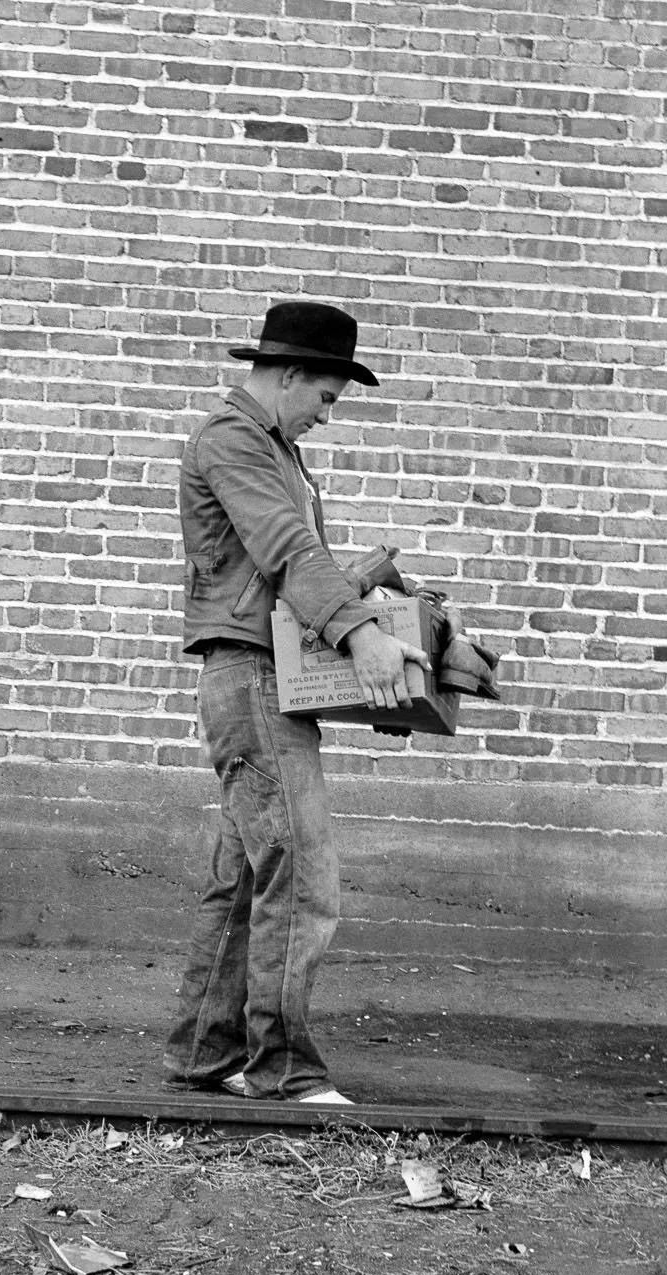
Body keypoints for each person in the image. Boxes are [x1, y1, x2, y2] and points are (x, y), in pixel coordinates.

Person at [162, 301, 431, 1105]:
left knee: (246, 875)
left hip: (259, 677)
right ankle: (281, 1067)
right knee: (303, 873)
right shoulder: (236, 440)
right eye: (325, 397)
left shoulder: (270, 447)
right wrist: (360, 634)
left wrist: (363, 585)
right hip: (252, 683)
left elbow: (274, 577)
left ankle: (205, 1052)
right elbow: (284, 550)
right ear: (287, 376)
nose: (324, 415)